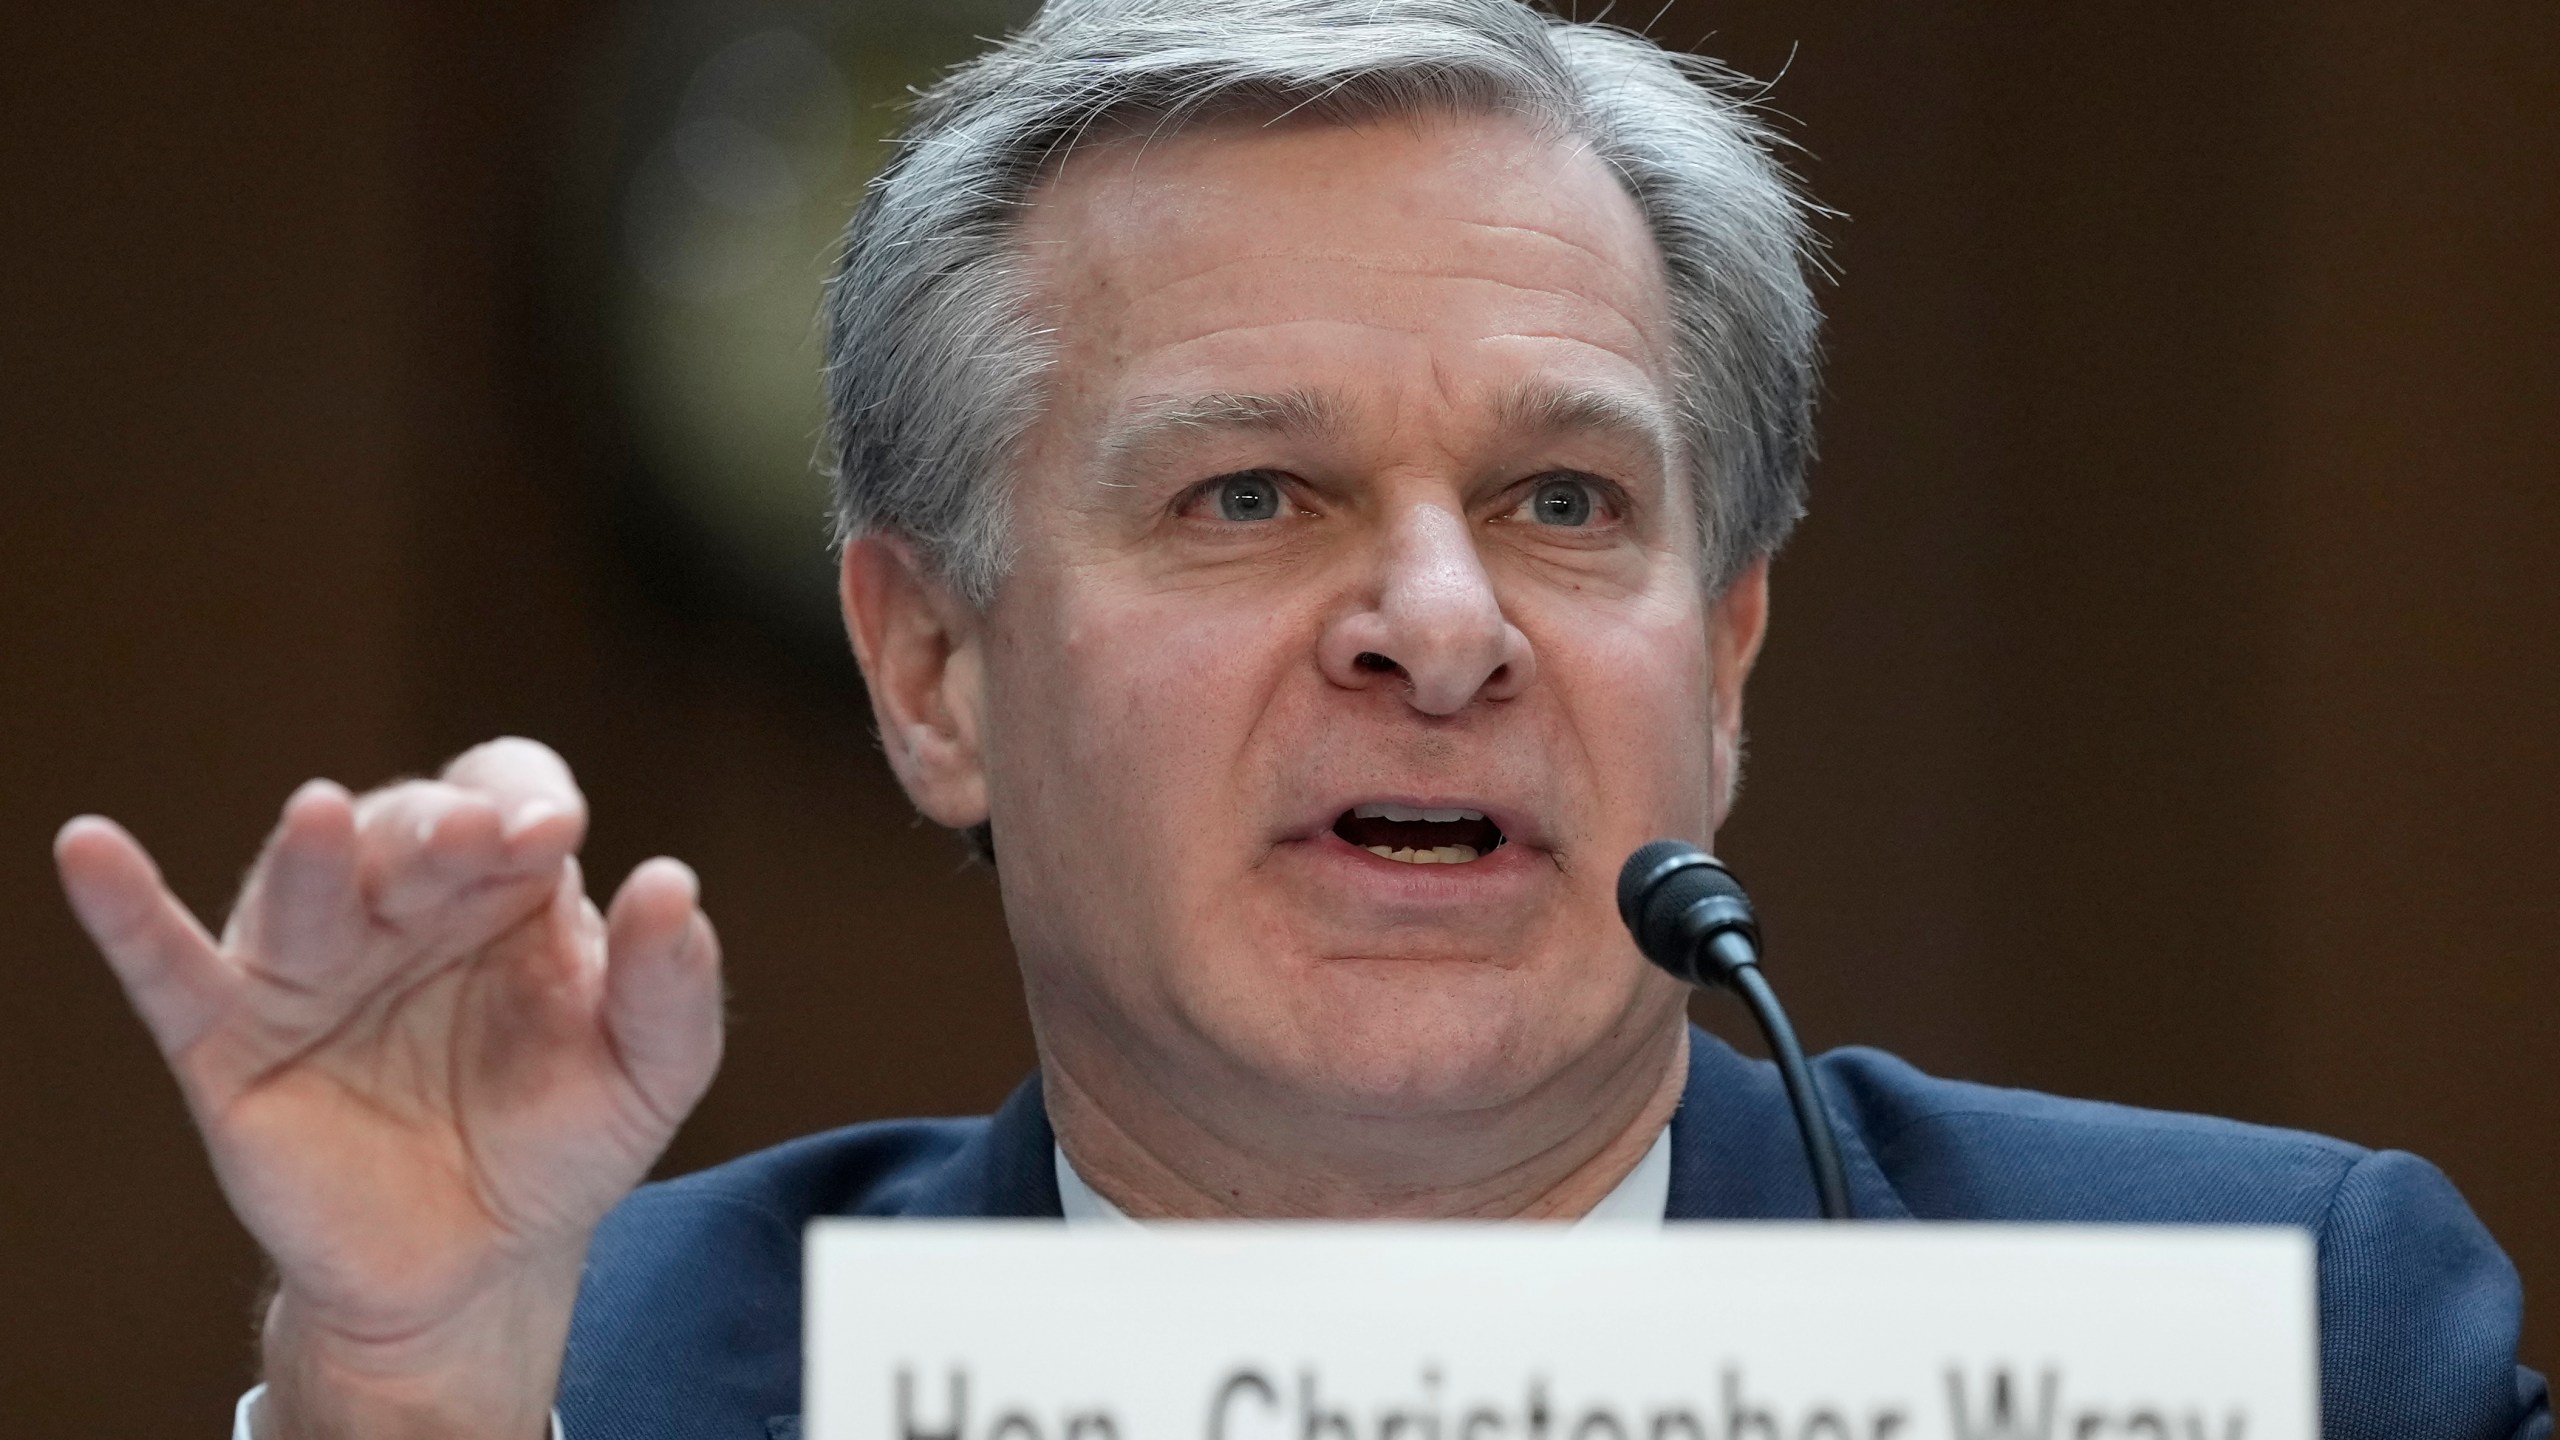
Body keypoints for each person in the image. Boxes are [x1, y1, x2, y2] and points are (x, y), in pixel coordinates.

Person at [51, 2, 2546, 1437]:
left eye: (1565, 501)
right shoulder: (609, 1375)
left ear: (1729, 656)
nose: (1437, 624)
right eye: (1251, 494)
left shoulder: (2258, 1337)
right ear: (933, 671)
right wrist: (403, 1385)